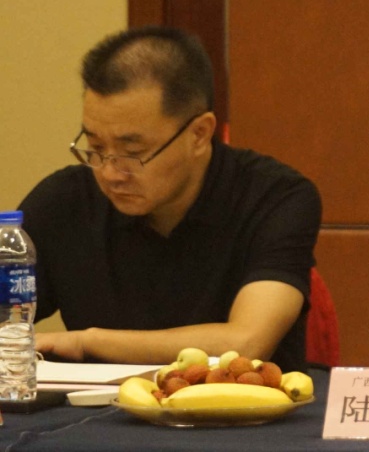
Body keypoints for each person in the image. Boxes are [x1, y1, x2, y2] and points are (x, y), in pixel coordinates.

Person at [17, 27, 321, 370]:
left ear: (199, 134)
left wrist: (86, 342)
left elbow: (247, 342)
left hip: (237, 403)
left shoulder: (275, 197)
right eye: (96, 146)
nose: (110, 173)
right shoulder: (63, 202)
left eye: (133, 152)